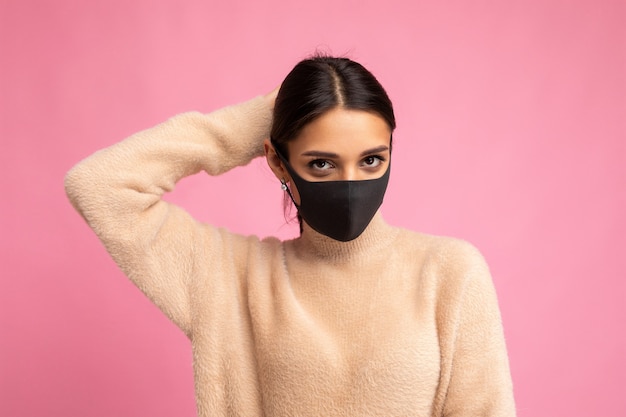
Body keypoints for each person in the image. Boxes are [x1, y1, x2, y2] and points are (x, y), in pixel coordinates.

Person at [65, 55, 516, 416]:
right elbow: (100, 185)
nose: (351, 181)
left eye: (372, 160)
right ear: (278, 163)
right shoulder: (232, 276)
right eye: (322, 162)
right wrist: (262, 117)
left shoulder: (448, 272)